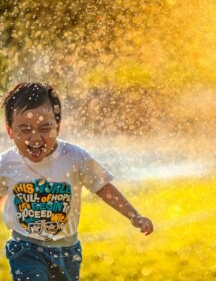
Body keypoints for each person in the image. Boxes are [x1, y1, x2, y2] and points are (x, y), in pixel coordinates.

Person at [0, 82, 154, 281]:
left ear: (58, 127)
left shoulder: (74, 157)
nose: (35, 137)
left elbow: (103, 187)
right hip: (25, 247)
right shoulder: (6, 164)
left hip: (67, 250)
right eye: (25, 129)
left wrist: (134, 215)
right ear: (10, 131)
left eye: (45, 128)